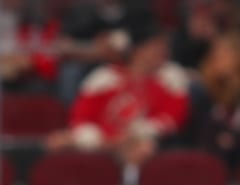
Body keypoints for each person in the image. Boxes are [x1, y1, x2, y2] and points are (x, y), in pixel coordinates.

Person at [48, 15, 189, 168]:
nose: (164, 52)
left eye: (165, 47)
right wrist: (103, 141)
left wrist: (136, 133)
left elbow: (172, 119)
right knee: (56, 142)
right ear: (138, 50)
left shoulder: (170, 76)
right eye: (156, 47)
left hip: (142, 143)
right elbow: (80, 117)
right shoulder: (105, 76)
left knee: (142, 148)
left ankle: (128, 181)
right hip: (101, 144)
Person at [185, 31, 240, 166]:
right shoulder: (202, 94)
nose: (218, 59)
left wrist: (235, 141)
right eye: (215, 54)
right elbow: (195, 138)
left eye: (226, 54)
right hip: (210, 165)